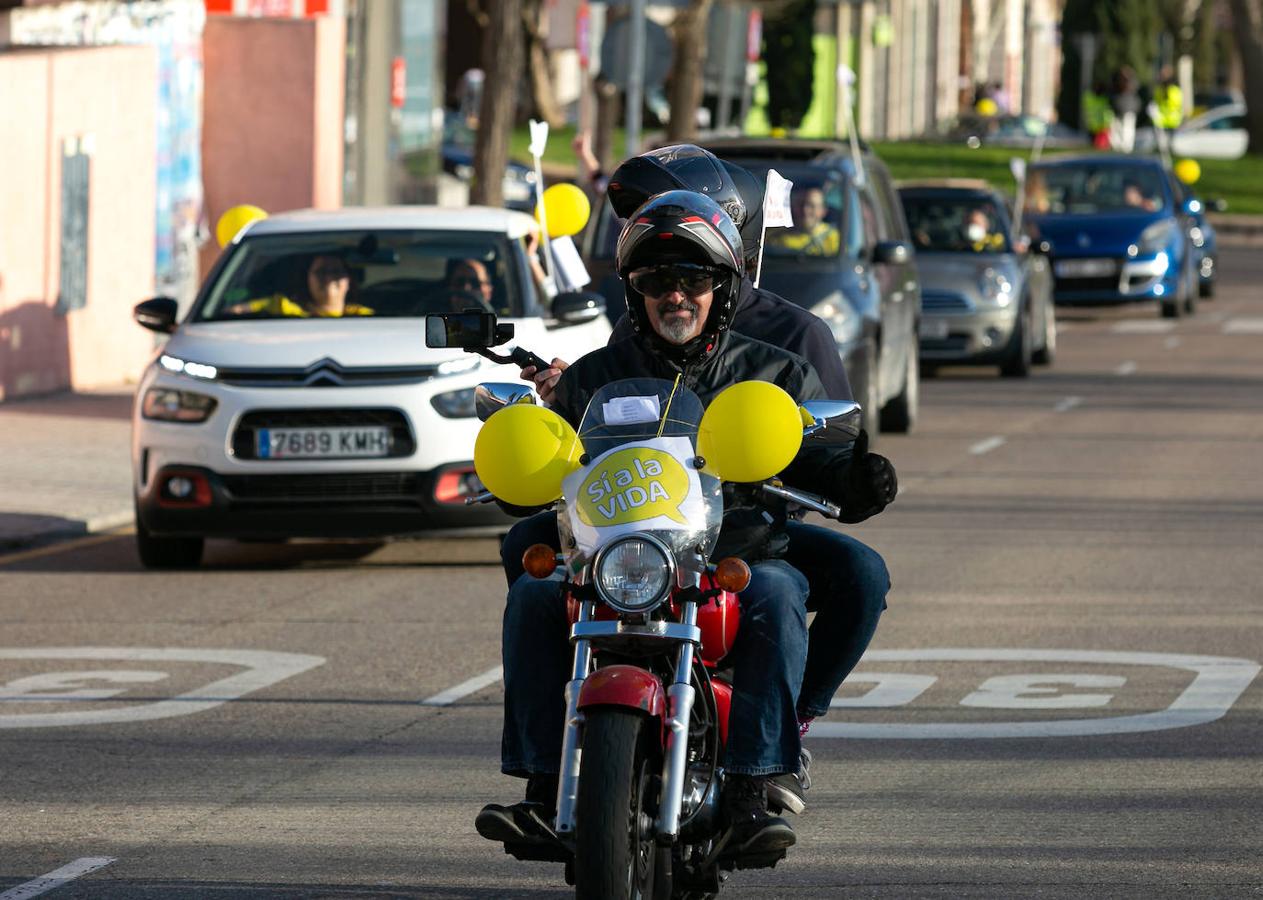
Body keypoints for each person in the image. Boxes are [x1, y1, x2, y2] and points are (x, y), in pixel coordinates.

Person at [475, 190, 898, 855]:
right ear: (634, 289)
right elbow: (555, 463)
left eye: (693, 279)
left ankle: (753, 788)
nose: (675, 295)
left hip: (733, 554)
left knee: (780, 591)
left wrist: (854, 476)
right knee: (532, 593)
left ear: (722, 287)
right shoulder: (593, 377)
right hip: (618, 558)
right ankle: (540, 787)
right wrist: (516, 474)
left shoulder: (773, 371)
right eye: (656, 280)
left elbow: (825, 462)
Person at [226, 254, 372, 317]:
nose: (328, 278)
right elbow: (235, 312)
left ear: (349, 281)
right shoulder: (282, 306)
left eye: (336, 272)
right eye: (321, 272)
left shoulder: (361, 316)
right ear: (307, 279)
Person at [769, 186, 840, 257]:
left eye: (812, 206)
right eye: (800, 204)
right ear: (793, 207)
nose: (805, 210)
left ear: (823, 211)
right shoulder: (774, 237)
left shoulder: (834, 240)